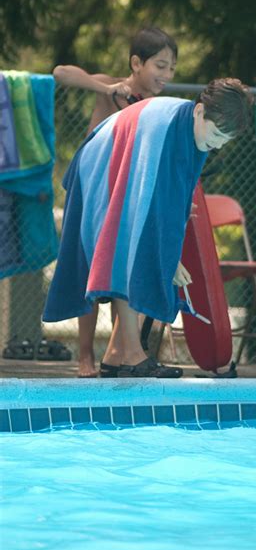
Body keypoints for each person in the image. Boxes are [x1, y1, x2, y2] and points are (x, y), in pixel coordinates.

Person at [43, 78, 253, 378]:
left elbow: (175, 201)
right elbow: (141, 211)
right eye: (217, 133)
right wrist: (167, 259)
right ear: (199, 111)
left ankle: (115, 355)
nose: (217, 143)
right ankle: (131, 355)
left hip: (118, 164)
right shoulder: (164, 131)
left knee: (142, 251)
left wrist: (170, 257)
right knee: (132, 249)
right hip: (99, 167)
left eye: (225, 139)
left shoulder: (194, 135)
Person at [53, 27, 178, 377]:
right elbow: (60, 73)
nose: (166, 76)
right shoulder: (110, 90)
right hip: (91, 187)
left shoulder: (156, 106)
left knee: (118, 269)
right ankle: (85, 357)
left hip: (125, 193)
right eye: (160, 66)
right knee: (90, 273)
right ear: (136, 63)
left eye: (172, 69)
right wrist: (105, 88)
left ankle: (121, 352)